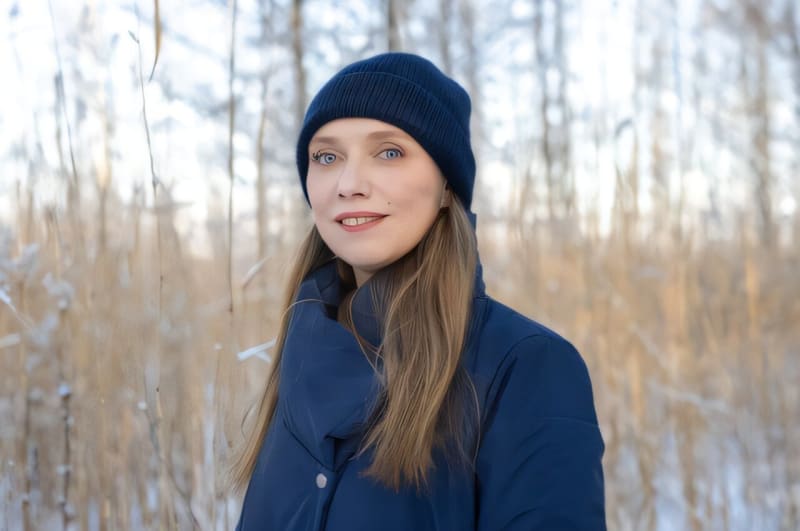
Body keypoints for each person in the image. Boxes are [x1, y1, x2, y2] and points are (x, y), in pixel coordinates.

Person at [231, 52, 606, 530]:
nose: (348, 184)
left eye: (389, 152)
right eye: (327, 156)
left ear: (447, 185)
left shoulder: (524, 367)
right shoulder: (302, 352)